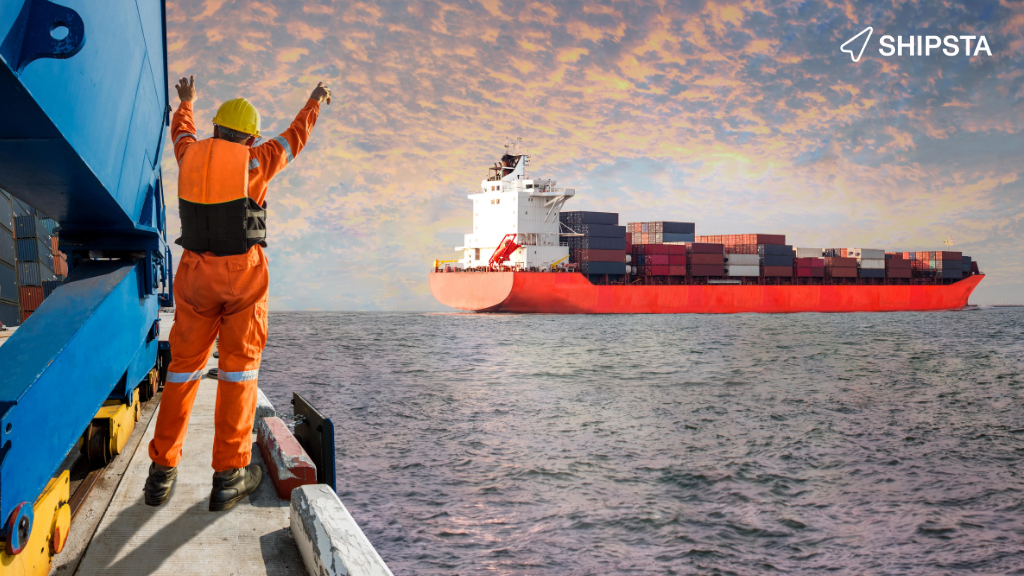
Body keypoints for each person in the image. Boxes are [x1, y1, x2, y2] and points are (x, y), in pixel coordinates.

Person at [145, 75, 331, 511]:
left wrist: (186, 100)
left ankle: (161, 473)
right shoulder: (257, 159)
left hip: (192, 273)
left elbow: (181, 129)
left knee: (182, 371)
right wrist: (314, 101)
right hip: (242, 275)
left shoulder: (188, 153)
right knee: (239, 370)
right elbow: (294, 137)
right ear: (249, 135)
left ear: (216, 129)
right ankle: (229, 475)